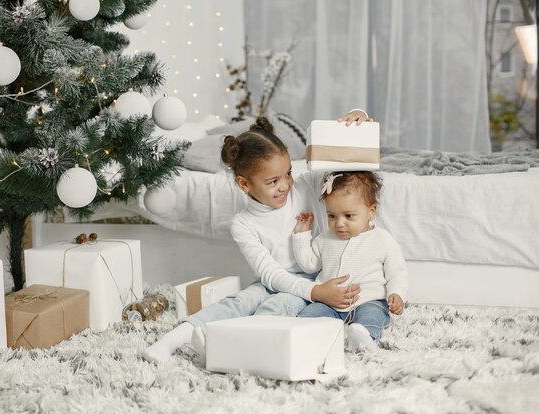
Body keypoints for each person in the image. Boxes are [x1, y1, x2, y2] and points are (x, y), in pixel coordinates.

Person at [142, 110, 371, 364]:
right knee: (238, 301)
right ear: (244, 184)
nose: (285, 185)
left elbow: (348, 169)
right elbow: (270, 274)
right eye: (273, 181)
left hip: (309, 278)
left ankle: (227, 349)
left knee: (275, 308)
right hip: (274, 281)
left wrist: (358, 118)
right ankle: (169, 342)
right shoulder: (242, 224)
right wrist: (316, 292)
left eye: (288, 174)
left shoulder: (306, 187)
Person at [293, 171, 408, 350]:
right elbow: (309, 265)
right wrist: (301, 235)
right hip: (329, 303)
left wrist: (397, 293)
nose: (339, 223)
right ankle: (304, 338)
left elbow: (397, 272)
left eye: (348, 216)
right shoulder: (324, 239)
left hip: (369, 300)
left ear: (370, 212)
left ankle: (364, 339)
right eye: (332, 216)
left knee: (372, 317)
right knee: (309, 316)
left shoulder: (382, 239)